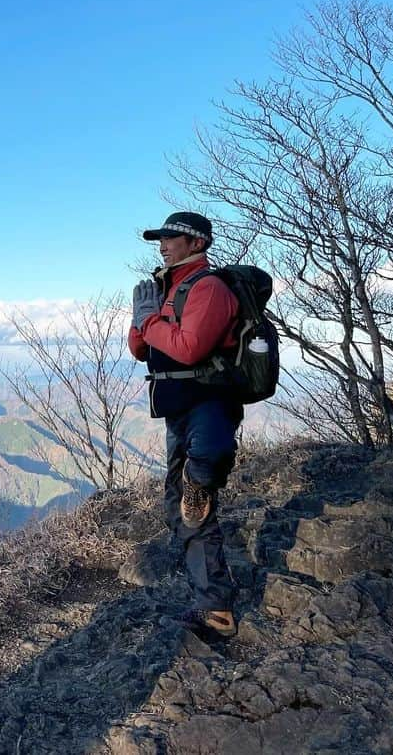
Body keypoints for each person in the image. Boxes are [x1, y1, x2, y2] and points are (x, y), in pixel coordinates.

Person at [128, 211, 242, 638]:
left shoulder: (208, 289)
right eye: (160, 237)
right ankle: (211, 603)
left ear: (197, 243)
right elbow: (141, 350)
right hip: (179, 410)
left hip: (207, 407)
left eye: (171, 237)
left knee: (196, 500)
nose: (162, 244)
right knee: (181, 506)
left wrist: (151, 320)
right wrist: (143, 317)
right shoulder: (168, 289)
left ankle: (215, 612)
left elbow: (190, 348)